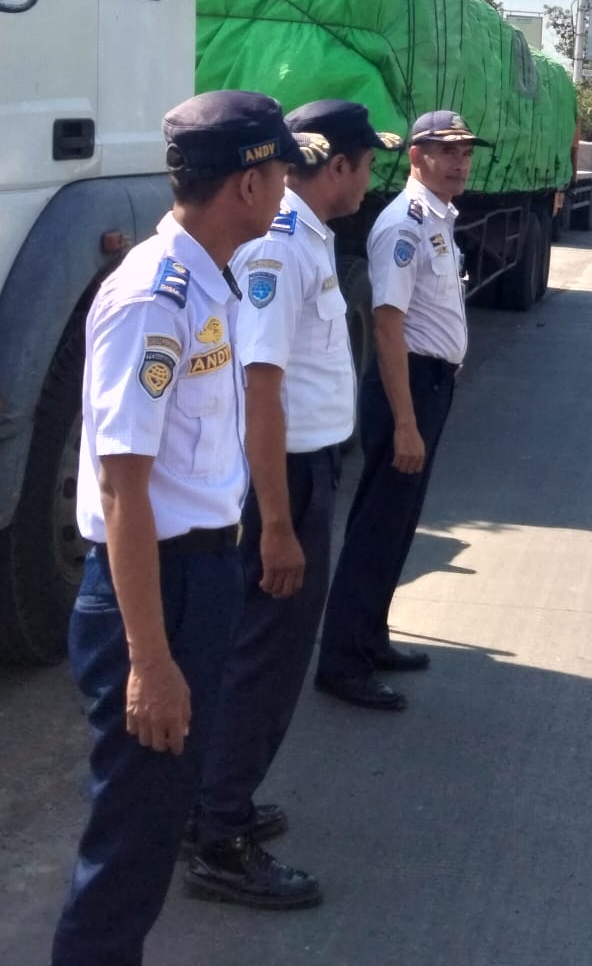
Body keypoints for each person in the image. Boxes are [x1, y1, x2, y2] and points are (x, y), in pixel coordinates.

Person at [51, 92, 300, 966]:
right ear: (246, 181)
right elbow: (124, 491)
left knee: (152, 831)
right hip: (152, 594)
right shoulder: (155, 297)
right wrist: (150, 664)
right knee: (129, 844)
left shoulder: (211, 279)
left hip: (200, 580)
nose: (283, 192)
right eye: (277, 174)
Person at [185, 100, 398, 908]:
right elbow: (260, 385)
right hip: (288, 479)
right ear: (336, 166)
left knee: (256, 654)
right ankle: (220, 838)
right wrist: (275, 522)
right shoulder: (283, 248)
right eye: (366, 165)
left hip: (302, 470)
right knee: (265, 664)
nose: (368, 181)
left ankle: (211, 804)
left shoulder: (305, 240)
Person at [314, 110, 486, 710]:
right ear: (416, 156)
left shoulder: (437, 218)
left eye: (466, 152)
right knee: (376, 528)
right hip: (405, 389)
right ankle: (342, 662)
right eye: (447, 151)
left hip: (429, 385)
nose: (460, 161)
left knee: (396, 525)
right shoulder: (405, 225)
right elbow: (388, 325)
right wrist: (407, 422)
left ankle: (371, 638)